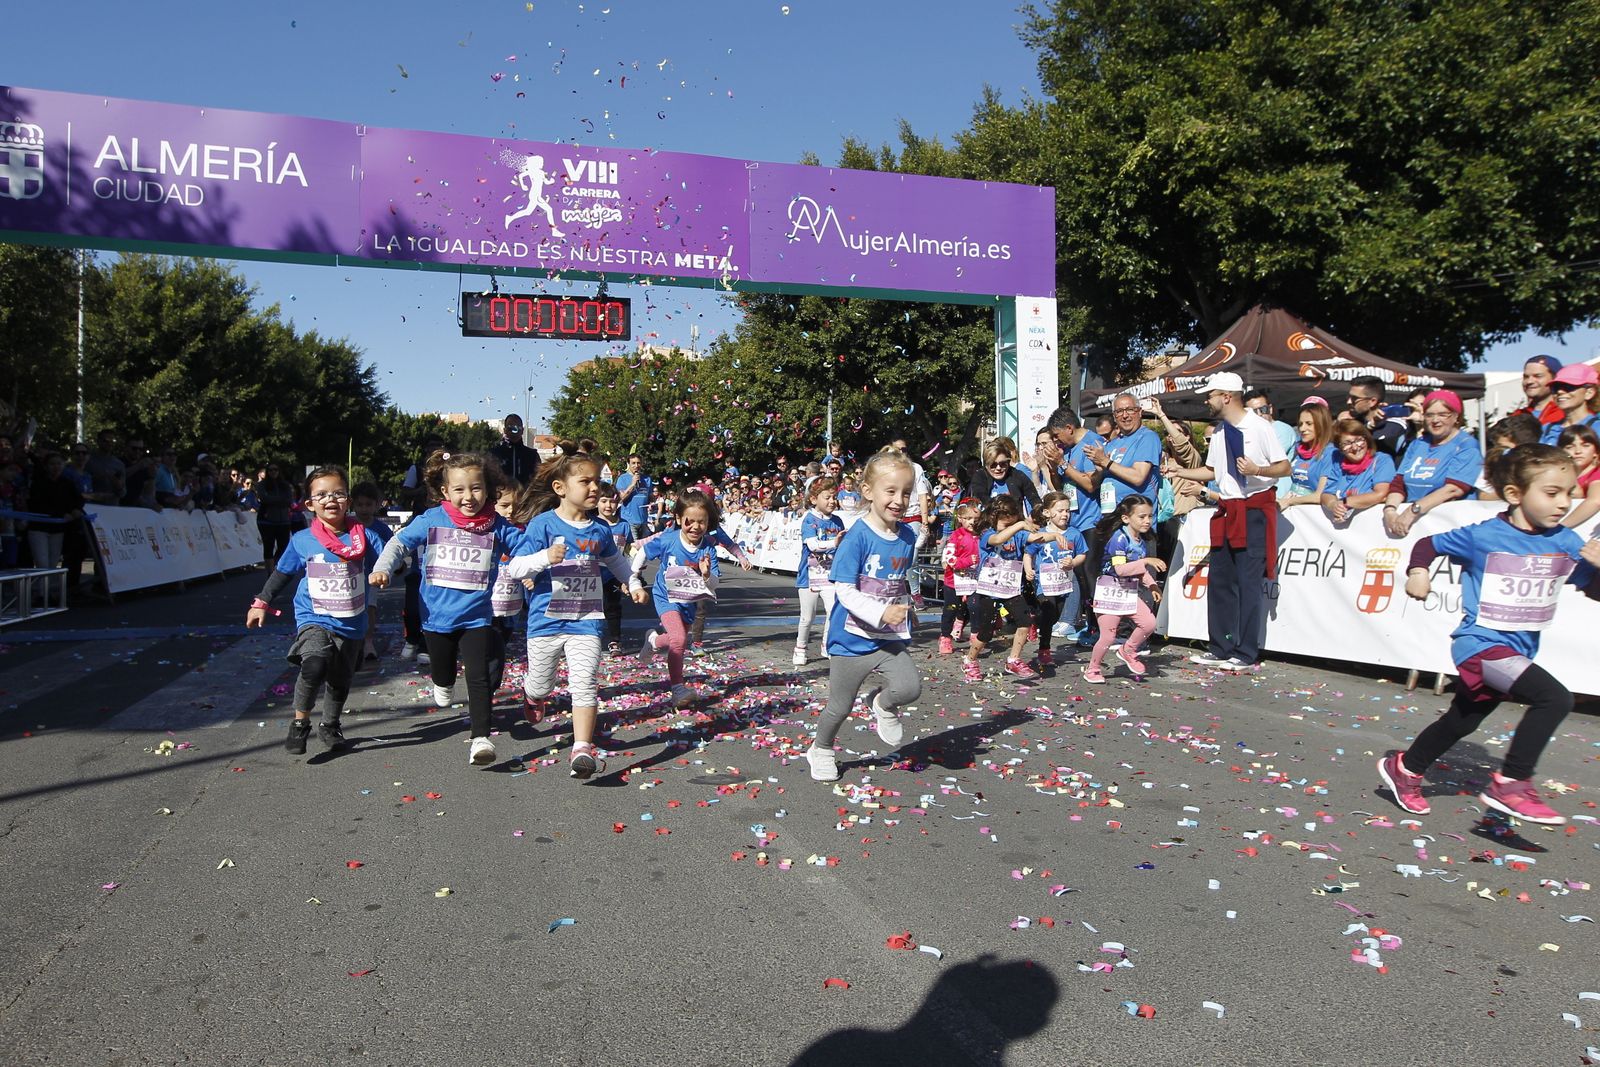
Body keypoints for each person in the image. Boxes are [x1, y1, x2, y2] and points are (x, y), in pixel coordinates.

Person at [1377, 444, 1600, 824]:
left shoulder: (1566, 542)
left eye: (1569, 491)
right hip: (1479, 646)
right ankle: (1511, 783)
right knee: (1554, 699)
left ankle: (1406, 767)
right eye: (1551, 493)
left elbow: (1593, 590)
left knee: (1463, 720)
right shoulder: (1484, 535)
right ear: (1515, 494)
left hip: (1518, 651)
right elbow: (1428, 544)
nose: (1564, 502)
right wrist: (1418, 573)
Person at [370, 451, 538, 768]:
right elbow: (399, 544)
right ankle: (442, 681)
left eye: (476, 488)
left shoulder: (495, 525)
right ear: (446, 492)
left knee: (478, 677)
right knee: (444, 670)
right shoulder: (433, 519)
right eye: (459, 490)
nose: (468, 497)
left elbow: (525, 548)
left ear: (488, 490)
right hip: (435, 617)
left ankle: (480, 738)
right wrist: (383, 568)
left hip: (477, 616)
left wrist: (544, 559)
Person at [515, 454, 647, 778]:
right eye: (585, 481)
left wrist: (632, 582)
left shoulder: (600, 529)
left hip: (586, 620)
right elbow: (515, 567)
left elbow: (616, 562)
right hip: (546, 622)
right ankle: (532, 694)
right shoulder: (543, 524)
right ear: (560, 487)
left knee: (585, 682)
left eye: (596, 482)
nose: (594, 488)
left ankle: (582, 748)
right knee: (542, 685)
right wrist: (544, 557)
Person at [246, 465, 384, 756]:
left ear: (347, 499)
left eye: (338, 493)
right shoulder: (302, 540)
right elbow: (282, 573)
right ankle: (300, 723)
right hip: (314, 617)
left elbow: (387, 564)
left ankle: (330, 725)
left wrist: (384, 572)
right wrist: (261, 603)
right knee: (314, 664)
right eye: (321, 495)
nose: (330, 499)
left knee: (340, 679)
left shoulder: (366, 537)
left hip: (352, 621)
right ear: (309, 504)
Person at [805, 451, 922, 783]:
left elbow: (895, 581)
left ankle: (882, 704)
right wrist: (881, 611)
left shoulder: (908, 537)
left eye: (906, 492)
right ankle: (822, 749)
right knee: (840, 707)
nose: (899, 500)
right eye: (890, 491)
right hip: (851, 640)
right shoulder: (857, 536)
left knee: (909, 687)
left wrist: (907, 607)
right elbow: (844, 590)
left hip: (887, 638)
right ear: (868, 491)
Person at [1168, 372, 1291, 672]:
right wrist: (1178, 472)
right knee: (1220, 581)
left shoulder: (1259, 427)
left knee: (1248, 583)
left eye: (1210, 395)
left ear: (1226, 396)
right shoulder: (1221, 432)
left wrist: (1256, 467)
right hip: (1226, 509)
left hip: (1251, 512)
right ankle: (1220, 645)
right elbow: (1212, 471)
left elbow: (1285, 466)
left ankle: (1246, 651)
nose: (1206, 401)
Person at [634, 489, 722, 708]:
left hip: (689, 601)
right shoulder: (669, 540)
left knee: (674, 638)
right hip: (665, 597)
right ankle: (677, 689)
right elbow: (644, 551)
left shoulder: (709, 548)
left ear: (708, 522)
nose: (695, 527)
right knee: (680, 640)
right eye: (689, 521)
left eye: (701, 522)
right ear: (678, 519)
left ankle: (653, 640)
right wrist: (633, 576)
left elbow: (714, 585)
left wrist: (706, 574)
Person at [1082, 494, 1164, 683]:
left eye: (1150, 516)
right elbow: (1120, 569)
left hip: (1127, 591)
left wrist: (1151, 584)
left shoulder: (1140, 542)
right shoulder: (1119, 539)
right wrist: (1146, 561)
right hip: (1110, 592)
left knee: (1149, 623)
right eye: (1142, 517)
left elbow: (1139, 569)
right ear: (1126, 518)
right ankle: (1093, 669)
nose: (1147, 521)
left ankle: (1128, 650)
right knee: (1108, 636)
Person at [1382, 390, 1483, 539]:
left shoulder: (1467, 445)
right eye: (1429, 415)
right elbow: (1399, 483)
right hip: (1411, 524)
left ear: (1456, 417)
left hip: (1448, 527)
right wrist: (1390, 511)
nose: (1435, 420)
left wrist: (1412, 511)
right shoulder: (1418, 444)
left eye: (1443, 414)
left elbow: (1453, 489)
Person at [963, 493, 1038, 681]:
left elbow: (1036, 538)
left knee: (1024, 620)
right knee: (986, 631)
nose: (1011, 529)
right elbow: (997, 540)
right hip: (988, 588)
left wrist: (1055, 535)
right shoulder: (987, 534)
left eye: (1013, 523)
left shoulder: (1018, 535)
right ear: (994, 519)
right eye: (1007, 526)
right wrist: (1019, 525)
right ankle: (970, 660)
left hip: (1010, 588)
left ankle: (1014, 659)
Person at [1027, 492, 1086, 674]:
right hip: (1043, 583)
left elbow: (1082, 554)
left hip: (1063, 584)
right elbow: (1028, 552)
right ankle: (1044, 649)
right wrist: (1028, 568)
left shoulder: (1074, 534)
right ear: (1046, 513)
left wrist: (1073, 563)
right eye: (1060, 510)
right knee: (1048, 609)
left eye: (1067, 510)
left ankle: (1034, 621)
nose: (1065, 514)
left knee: (1055, 616)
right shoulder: (1041, 534)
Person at [793, 476, 844, 666]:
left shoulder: (838, 521)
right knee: (808, 617)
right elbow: (813, 545)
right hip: (809, 576)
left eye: (834, 497)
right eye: (827, 497)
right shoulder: (809, 519)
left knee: (833, 612)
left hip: (829, 576)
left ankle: (827, 645)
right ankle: (800, 647)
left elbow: (843, 546)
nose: (832, 501)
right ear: (814, 499)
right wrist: (834, 542)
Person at [1319, 419, 1397, 524]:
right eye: (1347, 444)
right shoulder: (1338, 463)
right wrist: (1334, 505)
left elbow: (1381, 494)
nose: (1355, 447)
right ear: (1340, 448)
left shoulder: (1382, 460)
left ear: (1366, 439)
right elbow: (1327, 494)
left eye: (1358, 440)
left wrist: (1345, 502)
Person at [349, 482, 393, 664]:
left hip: (371, 575)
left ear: (376, 505)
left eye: (368, 504)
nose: (364, 509)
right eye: (360, 504)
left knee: (369, 608)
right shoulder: (347, 525)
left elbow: (393, 550)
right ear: (353, 505)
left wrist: (394, 568)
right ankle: (351, 640)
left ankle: (368, 642)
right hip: (349, 575)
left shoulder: (382, 530)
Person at [938, 500, 980, 655]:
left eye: (976, 519)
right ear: (961, 519)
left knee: (975, 608)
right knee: (950, 610)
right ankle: (945, 637)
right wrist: (967, 561)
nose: (973, 523)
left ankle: (975, 637)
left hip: (973, 581)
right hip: (953, 581)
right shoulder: (956, 536)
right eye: (969, 519)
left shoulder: (980, 535)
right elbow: (949, 559)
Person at [595, 482, 633, 654]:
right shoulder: (592, 524)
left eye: (612, 501)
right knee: (592, 607)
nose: (608, 506)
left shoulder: (624, 525)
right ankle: (590, 639)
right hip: (593, 572)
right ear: (596, 502)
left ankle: (614, 640)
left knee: (613, 607)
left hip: (614, 574)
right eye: (603, 501)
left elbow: (629, 549)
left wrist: (631, 574)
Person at [1280, 402, 1338, 511]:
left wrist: (1289, 501)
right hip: (1296, 513)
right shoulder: (1299, 450)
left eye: (1309, 423)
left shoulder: (1330, 453)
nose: (1302, 428)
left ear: (1321, 425)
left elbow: (1319, 495)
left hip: (1315, 516)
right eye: (1300, 424)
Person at [1243, 389, 1298, 494]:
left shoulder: (1282, 429)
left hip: (1280, 493)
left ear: (1270, 409)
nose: (1259, 414)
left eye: (1263, 409)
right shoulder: (1248, 432)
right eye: (1254, 411)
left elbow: (1268, 460)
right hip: (1257, 492)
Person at [966, 437, 1042, 513]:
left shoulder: (1017, 475)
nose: (998, 468)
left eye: (1003, 464)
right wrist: (1001, 503)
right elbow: (980, 496)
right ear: (986, 465)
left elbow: (1034, 498)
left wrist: (1037, 514)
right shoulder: (980, 476)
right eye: (993, 465)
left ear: (1008, 463)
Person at [1344, 375, 1409, 457]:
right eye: (1349, 397)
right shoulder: (1351, 425)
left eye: (1354, 398)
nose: (1349, 402)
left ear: (1372, 401)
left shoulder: (1396, 427)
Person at [1537, 363, 1599, 446]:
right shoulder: (1547, 429)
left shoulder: (1597, 427)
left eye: (1568, 387)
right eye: (1555, 388)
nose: (1560, 391)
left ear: (1589, 393)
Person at [1558, 425, 1600, 531]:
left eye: (1585, 445)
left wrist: (1561, 527)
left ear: (1596, 451)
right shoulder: (1561, 474)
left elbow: (1596, 501)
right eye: (1569, 447)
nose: (1577, 451)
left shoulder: (1597, 472)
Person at [255, 462, 296, 566]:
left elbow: (289, 500)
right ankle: (270, 571)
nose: (273, 472)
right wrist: (280, 500)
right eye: (271, 470)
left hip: (283, 520)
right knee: (268, 546)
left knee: (284, 546)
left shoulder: (285, 485)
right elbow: (264, 499)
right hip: (266, 520)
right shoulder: (262, 485)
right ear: (267, 472)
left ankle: (275, 564)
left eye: (275, 470)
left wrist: (275, 500)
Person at [1510, 354, 1565, 429]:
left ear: (1555, 379)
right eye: (1526, 377)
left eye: (1538, 376)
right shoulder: (1516, 417)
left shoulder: (1567, 414)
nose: (1529, 381)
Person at [489, 413, 541, 486]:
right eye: (510, 428)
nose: (514, 432)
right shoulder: (494, 454)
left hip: (525, 496)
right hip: (501, 496)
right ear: (505, 430)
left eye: (517, 428)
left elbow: (539, 480)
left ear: (522, 430)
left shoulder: (532, 455)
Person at [83, 429, 125, 506]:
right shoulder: (88, 460)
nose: (109, 443)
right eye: (106, 440)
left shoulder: (119, 464)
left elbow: (123, 493)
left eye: (113, 440)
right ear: (98, 441)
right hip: (92, 505)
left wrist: (118, 486)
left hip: (112, 506)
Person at [616, 454, 653, 541]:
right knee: (632, 549)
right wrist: (632, 484)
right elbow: (621, 498)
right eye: (633, 463)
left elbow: (650, 498)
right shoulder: (622, 478)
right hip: (629, 521)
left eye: (638, 463)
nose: (636, 466)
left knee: (644, 549)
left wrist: (652, 504)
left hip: (643, 520)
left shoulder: (647, 479)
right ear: (628, 464)